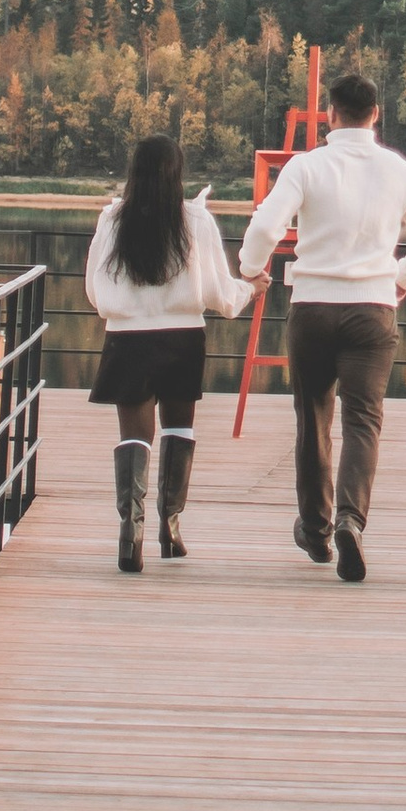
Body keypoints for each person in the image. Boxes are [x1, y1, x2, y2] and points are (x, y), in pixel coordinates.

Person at [238, 72, 406, 583]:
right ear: (376, 114)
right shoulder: (397, 170)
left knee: (313, 417)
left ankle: (316, 529)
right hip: (372, 311)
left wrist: (250, 270)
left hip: (312, 307)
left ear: (331, 115)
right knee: (362, 420)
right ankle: (352, 520)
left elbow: (266, 227)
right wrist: (400, 279)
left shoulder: (308, 166)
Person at [85, 131, 246, 573]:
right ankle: (170, 529)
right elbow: (219, 293)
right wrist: (248, 290)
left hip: (127, 339)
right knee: (179, 430)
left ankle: (129, 532)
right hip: (181, 337)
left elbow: (93, 291)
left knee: (134, 437)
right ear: (177, 174)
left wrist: (122, 313)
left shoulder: (113, 220)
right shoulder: (195, 220)